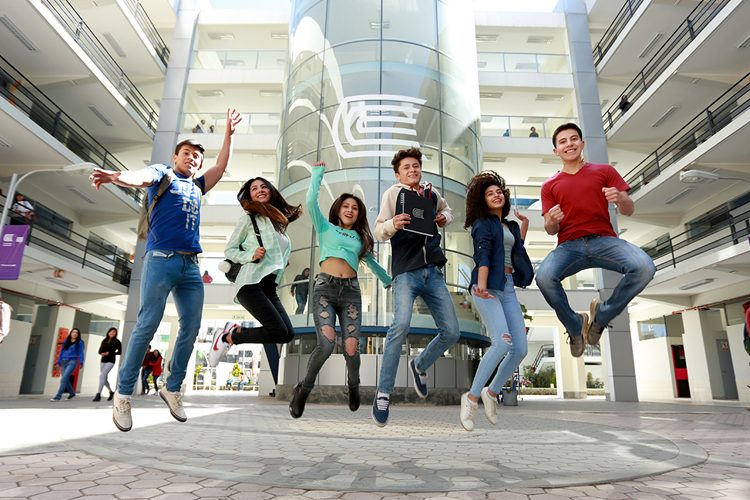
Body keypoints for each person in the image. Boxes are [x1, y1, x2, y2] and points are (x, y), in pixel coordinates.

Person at [89, 108, 242, 432]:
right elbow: (140, 177)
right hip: (161, 259)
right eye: (187, 153)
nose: (193, 159)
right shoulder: (163, 174)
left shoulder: (197, 185)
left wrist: (229, 134)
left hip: (190, 265)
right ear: (175, 157)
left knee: (192, 326)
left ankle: (172, 388)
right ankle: (123, 395)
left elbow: (220, 166)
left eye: (197, 156)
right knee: (147, 325)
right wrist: (116, 177)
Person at [535, 122, 655, 357]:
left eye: (573, 139)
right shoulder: (549, 185)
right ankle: (575, 326)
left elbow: (629, 209)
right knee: (544, 278)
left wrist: (621, 198)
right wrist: (552, 221)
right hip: (569, 246)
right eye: (563, 142)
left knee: (644, 267)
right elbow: (550, 229)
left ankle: (601, 316)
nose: (569, 144)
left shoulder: (604, 171)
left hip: (604, 241)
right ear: (556, 151)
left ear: (582, 143)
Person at [289, 162, 392, 419]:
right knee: (325, 344)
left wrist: (389, 280)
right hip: (325, 289)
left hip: (351, 293)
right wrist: (317, 174)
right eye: (346, 206)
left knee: (351, 348)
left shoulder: (360, 239)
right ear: (338, 209)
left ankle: (353, 385)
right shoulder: (326, 227)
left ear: (359, 215)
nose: (350, 210)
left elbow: (372, 263)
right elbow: (310, 201)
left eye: (354, 208)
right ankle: (303, 389)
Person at [371, 147, 460, 427]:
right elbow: (378, 230)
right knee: (400, 325)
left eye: (416, 166)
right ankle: (383, 393)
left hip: (433, 271)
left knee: (452, 332)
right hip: (406, 272)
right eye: (406, 167)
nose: (412, 170)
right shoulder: (393, 194)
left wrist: (445, 218)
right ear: (398, 174)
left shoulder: (431, 193)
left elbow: (447, 210)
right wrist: (393, 224)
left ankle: (419, 365)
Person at [208, 176, 302, 381]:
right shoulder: (249, 219)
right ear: (249, 196)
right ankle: (228, 337)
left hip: (269, 286)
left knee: (287, 334)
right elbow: (230, 250)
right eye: (254, 188)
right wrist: (250, 255)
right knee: (278, 331)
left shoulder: (278, 223)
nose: (260, 190)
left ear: (271, 191)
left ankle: (234, 333)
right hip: (251, 283)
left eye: (263, 187)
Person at [459, 171, 533, 431]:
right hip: (487, 286)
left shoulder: (509, 226)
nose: (496, 195)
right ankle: (471, 398)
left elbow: (516, 248)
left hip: (508, 287)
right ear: (483, 200)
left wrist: (525, 223)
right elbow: (483, 254)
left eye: (499, 192)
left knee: (520, 349)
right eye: (490, 193)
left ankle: (491, 392)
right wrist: (480, 286)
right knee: (501, 343)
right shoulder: (483, 224)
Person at [50, 328, 85, 401]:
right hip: (63, 361)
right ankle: (72, 393)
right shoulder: (66, 341)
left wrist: (81, 362)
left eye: (76, 333)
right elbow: (61, 352)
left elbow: (81, 352)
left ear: (78, 334)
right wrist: (58, 361)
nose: (74, 334)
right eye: (73, 332)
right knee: (65, 379)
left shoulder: (80, 342)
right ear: (71, 333)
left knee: (63, 379)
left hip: (72, 361)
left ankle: (58, 396)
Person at [93, 327, 121, 402]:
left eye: (114, 332)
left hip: (111, 361)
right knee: (104, 378)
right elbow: (99, 351)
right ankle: (111, 392)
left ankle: (98, 394)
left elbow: (119, 352)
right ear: (108, 332)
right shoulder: (104, 340)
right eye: (111, 331)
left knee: (101, 376)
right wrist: (102, 353)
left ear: (116, 333)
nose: (112, 333)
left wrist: (110, 353)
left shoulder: (117, 342)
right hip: (103, 360)